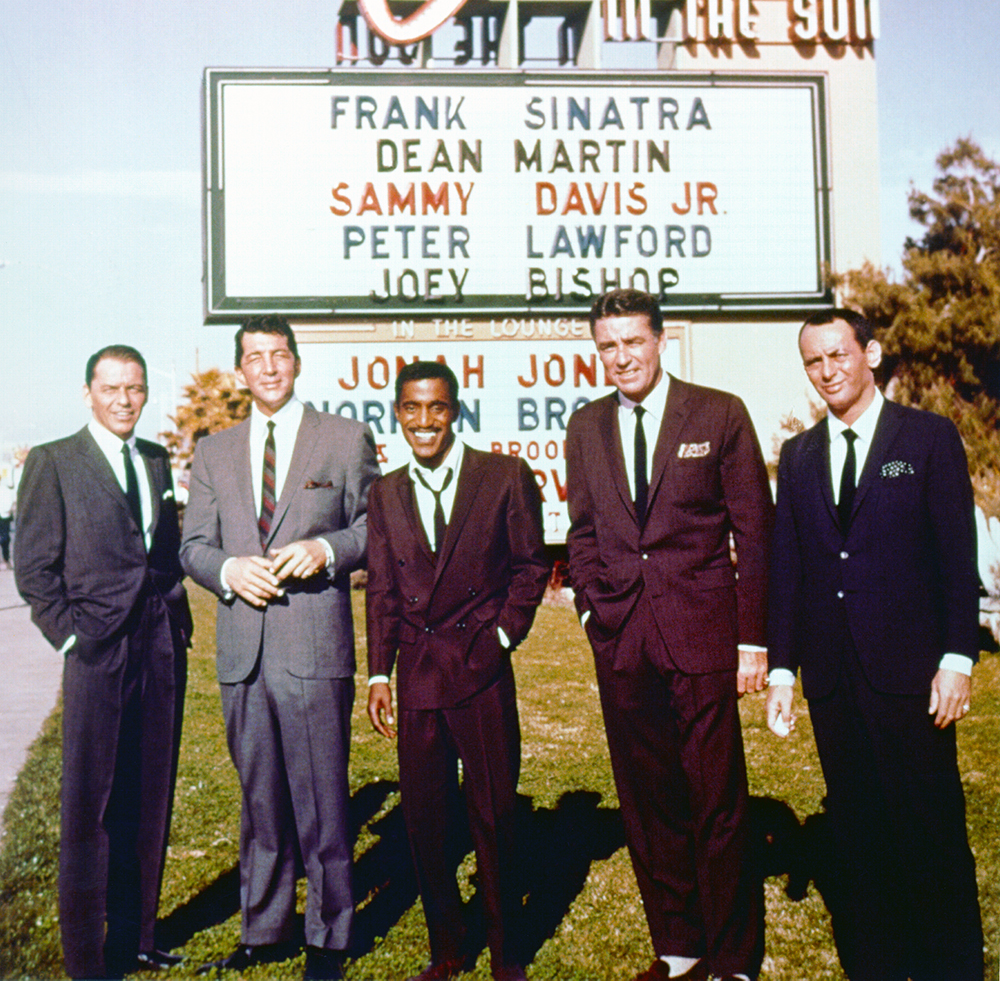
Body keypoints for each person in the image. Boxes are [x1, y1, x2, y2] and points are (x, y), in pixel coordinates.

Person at [766, 309, 983, 981]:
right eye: (813, 361)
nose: (827, 370)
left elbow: (956, 556)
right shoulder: (799, 456)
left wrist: (957, 658)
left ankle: (949, 965)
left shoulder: (926, 438)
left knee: (931, 832)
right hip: (833, 680)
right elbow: (790, 569)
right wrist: (781, 669)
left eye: (838, 354)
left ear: (871, 352)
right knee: (859, 836)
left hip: (912, 678)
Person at [565, 289, 773, 981]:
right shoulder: (585, 426)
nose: (621, 356)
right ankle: (680, 947)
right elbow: (584, 531)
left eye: (633, 341)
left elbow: (756, 530)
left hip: (702, 635)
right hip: (622, 640)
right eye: (608, 345)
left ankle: (733, 959)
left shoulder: (718, 412)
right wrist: (594, 612)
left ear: (660, 340)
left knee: (716, 799)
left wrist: (752, 640)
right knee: (649, 801)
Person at [181, 316, 379, 980]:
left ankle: (329, 935)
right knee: (260, 798)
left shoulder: (343, 438)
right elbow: (192, 546)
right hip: (243, 650)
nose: (267, 367)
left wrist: (325, 550)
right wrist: (227, 571)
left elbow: (374, 525)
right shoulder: (212, 451)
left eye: (279, 355)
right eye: (254, 357)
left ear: (296, 361)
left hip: (313, 645)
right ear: (241, 368)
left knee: (322, 796)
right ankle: (264, 929)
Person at [366, 361, 550, 981]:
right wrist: (377, 674)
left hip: (481, 670)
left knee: (494, 812)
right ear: (397, 412)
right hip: (417, 674)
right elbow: (383, 593)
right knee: (425, 817)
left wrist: (501, 635)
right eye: (412, 409)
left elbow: (531, 567)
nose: (424, 421)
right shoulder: (384, 491)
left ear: (455, 410)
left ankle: (506, 950)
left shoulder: (502, 476)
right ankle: (448, 947)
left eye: (436, 408)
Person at [15, 345, 191, 980]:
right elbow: (34, 569)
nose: (124, 400)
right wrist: (71, 638)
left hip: (159, 648)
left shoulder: (155, 458)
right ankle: (89, 958)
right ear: (87, 392)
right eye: (111, 388)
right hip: (97, 653)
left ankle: (138, 937)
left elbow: (160, 553)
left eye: (135, 389)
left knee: (150, 795)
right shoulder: (54, 461)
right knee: (91, 804)